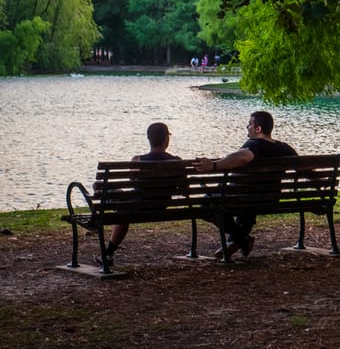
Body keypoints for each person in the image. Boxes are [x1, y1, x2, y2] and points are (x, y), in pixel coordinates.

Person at [195, 110, 297, 259]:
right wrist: (320, 184)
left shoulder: (254, 144)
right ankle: (238, 241)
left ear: (258, 129)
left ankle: (242, 239)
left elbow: (243, 157)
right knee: (245, 201)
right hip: (271, 200)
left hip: (248, 199)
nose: (247, 127)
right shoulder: (284, 148)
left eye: (250, 124)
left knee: (206, 204)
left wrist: (214, 165)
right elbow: (304, 169)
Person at [97, 122, 180, 267]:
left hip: (137, 207)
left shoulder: (137, 161)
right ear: (167, 139)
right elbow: (184, 189)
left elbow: (132, 181)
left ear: (149, 139)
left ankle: (108, 253)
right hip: (162, 206)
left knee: (104, 191)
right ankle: (108, 254)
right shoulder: (177, 162)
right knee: (123, 206)